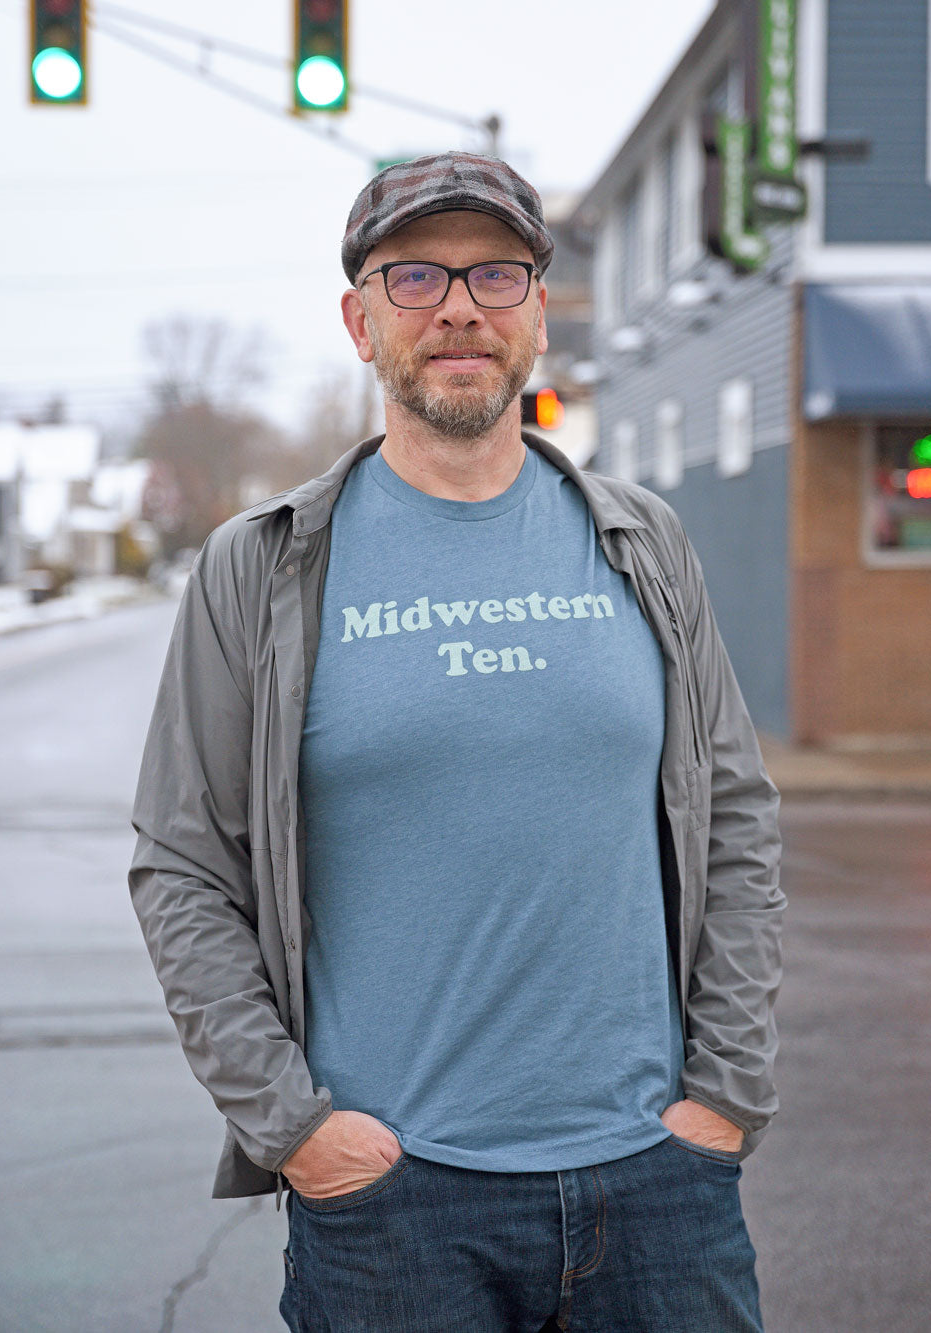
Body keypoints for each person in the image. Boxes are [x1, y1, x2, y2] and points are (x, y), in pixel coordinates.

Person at [130, 151, 785, 1333]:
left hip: (658, 1187)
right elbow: (182, 865)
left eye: (496, 273)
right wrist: (295, 1127)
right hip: (395, 1207)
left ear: (537, 308)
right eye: (417, 277)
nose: (460, 310)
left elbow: (734, 815)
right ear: (360, 318)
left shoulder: (643, 544)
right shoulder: (263, 566)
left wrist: (725, 1095)